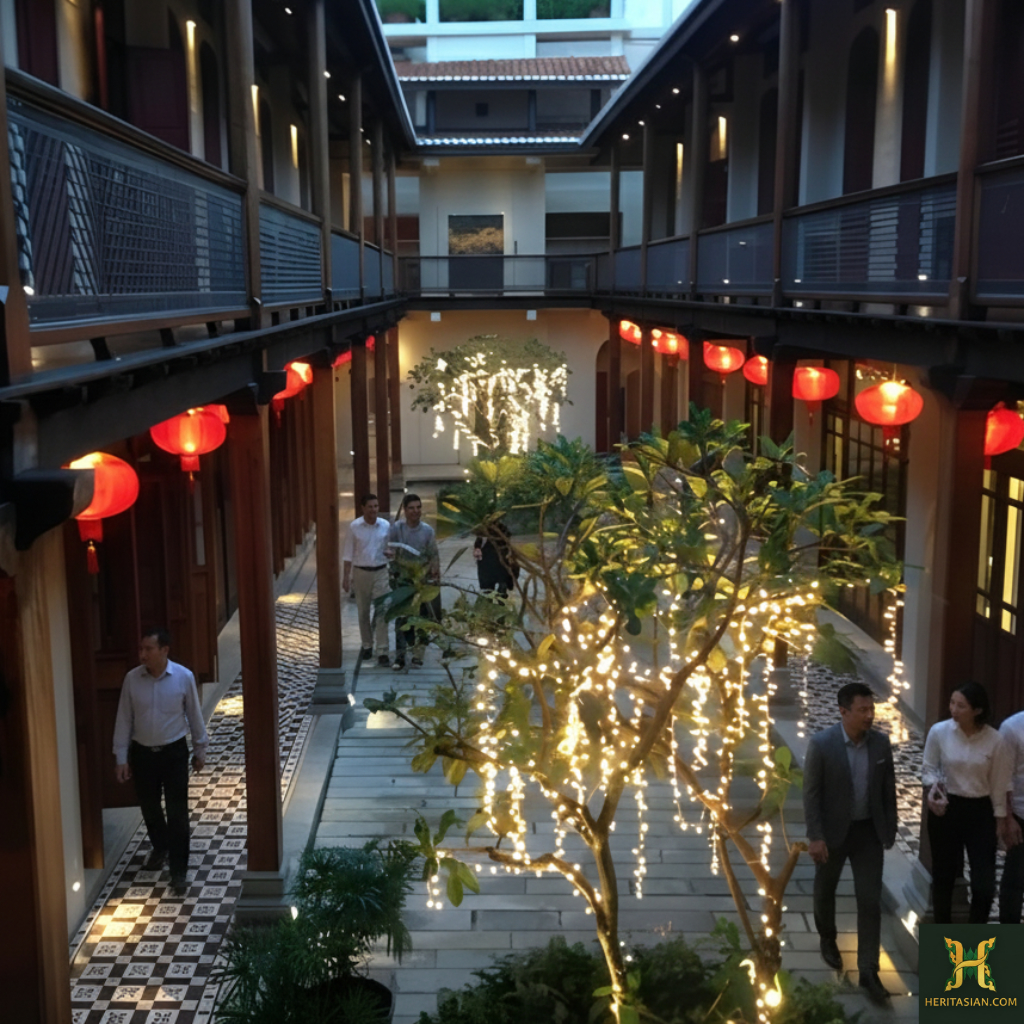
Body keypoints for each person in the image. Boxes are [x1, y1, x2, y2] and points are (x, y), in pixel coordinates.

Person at [803, 681, 897, 1005]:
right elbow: (811, 795)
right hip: (832, 832)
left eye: (871, 709)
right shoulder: (822, 745)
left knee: (869, 900)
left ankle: (869, 970)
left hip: (868, 833)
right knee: (825, 888)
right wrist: (815, 837)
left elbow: (888, 791)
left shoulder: (881, 745)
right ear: (843, 711)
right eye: (862, 710)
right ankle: (827, 937)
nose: (869, 715)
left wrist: (890, 829)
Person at [112, 629, 208, 896]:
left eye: (148, 649)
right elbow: (124, 719)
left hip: (174, 752)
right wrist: (121, 757)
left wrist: (200, 749)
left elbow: (194, 714)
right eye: (141, 649)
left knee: (177, 813)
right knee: (150, 808)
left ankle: (179, 871)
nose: (142, 654)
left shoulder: (183, 677)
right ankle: (161, 845)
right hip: (143, 754)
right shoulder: (132, 679)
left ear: (164, 650)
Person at [922, 681, 1012, 924]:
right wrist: (933, 789)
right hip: (947, 808)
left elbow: (999, 783)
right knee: (943, 877)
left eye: (961, 705)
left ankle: (975, 935)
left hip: (980, 811)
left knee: (983, 883)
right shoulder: (939, 732)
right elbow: (928, 769)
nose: (953, 709)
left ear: (977, 710)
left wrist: (1000, 818)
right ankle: (943, 935)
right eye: (952, 703)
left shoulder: (995, 740)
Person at [387, 492, 440, 670]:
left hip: (422, 581)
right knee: (402, 618)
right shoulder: (396, 529)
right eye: (411, 508)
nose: (415, 511)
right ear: (404, 510)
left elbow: (433, 554)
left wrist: (435, 572)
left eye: (418, 508)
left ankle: (418, 655)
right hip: (402, 581)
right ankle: (400, 656)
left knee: (422, 617)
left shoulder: (427, 531)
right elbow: (389, 549)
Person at [342, 493, 392, 667]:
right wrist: (346, 577)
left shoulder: (385, 526)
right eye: (370, 506)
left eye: (376, 506)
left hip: (381, 572)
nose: (373, 510)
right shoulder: (355, 527)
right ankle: (367, 645)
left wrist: (391, 554)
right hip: (361, 573)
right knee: (363, 611)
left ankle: (383, 650)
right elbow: (348, 553)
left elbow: (391, 547)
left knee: (382, 611)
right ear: (363, 508)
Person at [998, 706, 1024, 923]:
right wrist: (1007, 818)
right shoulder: (1012, 728)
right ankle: (1009, 943)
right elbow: (1002, 777)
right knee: (1014, 882)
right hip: (1020, 815)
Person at [473, 520, 518, 596]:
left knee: (492, 588)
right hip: (493, 562)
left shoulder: (500, 529)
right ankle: (500, 592)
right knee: (495, 586)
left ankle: (499, 593)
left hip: (495, 561)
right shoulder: (486, 531)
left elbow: (478, 543)